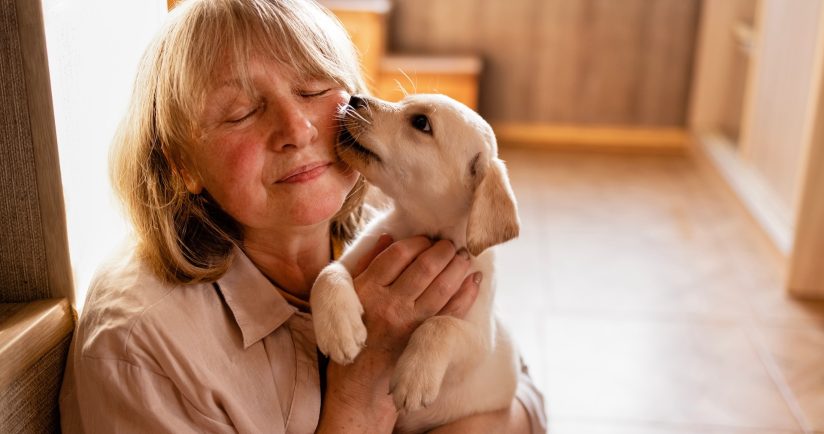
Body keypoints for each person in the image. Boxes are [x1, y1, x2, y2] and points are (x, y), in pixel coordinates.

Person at [59, 0, 547, 432]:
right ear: (181, 164)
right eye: (241, 111)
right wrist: (358, 395)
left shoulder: (383, 222)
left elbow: (524, 392)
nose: (297, 128)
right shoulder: (141, 349)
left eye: (314, 89)